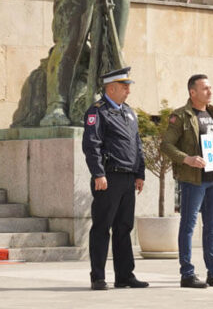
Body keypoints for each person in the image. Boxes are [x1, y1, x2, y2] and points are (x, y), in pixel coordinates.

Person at [161, 74, 213, 288]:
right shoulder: (180, 116)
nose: (210, 91)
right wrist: (187, 159)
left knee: (212, 227)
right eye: (205, 88)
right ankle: (187, 274)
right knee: (188, 225)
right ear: (192, 92)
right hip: (193, 180)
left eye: (210, 88)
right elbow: (166, 145)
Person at [82, 66, 148, 291]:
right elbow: (92, 145)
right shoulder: (97, 111)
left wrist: (140, 173)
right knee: (102, 226)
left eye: (128, 86)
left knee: (124, 227)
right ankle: (98, 277)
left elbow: (137, 145)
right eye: (124, 86)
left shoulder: (128, 112)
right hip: (108, 177)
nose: (128, 91)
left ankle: (125, 275)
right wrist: (98, 173)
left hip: (128, 178)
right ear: (111, 88)